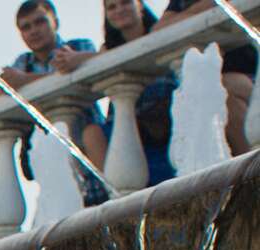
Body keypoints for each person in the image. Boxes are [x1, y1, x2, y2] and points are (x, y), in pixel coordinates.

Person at [0, 0, 113, 205]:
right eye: (26, 27)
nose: (34, 30)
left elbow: (80, 68)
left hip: (91, 149)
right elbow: (2, 90)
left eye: (40, 22)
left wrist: (25, 81)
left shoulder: (77, 46)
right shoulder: (23, 62)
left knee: (110, 204)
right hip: (56, 163)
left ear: (55, 22)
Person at [56, 1, 180, 186]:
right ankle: (116, 194)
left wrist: (80, 58)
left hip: (163, 128)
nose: (119, 10)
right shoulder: (108, 49)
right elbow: (103, 56)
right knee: (92, 133)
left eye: (125, 3)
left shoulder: (159, 32)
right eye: (112, 7)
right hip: (128, 129)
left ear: (139, 6)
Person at [161, 0, 254, 156]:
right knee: (215, 97)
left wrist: (187, 15)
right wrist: (203, 8)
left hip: (250, 77)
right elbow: (160, 28)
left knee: (216, 88)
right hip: (226, 88)